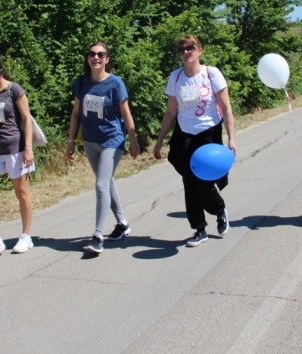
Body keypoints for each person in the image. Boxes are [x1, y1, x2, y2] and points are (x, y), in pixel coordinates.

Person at [152, 35, 236, 247]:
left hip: (209, 133)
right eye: (182, 49)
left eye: (190, 48)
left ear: (200, 50)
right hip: (185, 135)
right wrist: (159, 141)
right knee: (189, 183)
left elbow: (226, 108)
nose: (186, 52)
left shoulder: (211, 73)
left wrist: (231, 138)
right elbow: (171, 112)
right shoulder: (176, 77)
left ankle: (219, 210)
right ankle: (199, 229)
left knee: (204, 182)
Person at [65, 42, 139, 254]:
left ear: (107, 58)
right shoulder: (81, 83)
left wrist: (133, 141)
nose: (96, 57)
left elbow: (126, 114)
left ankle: (98, 236)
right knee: (106, 183)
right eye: (92, 54)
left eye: (100, 54)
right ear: (87, 58)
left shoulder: (115, 83)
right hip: (90, 140)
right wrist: (71, 141)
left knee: (100, 186)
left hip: (112, 140)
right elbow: (76, 113)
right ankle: (122, 223)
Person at [0, 54, 36, 261]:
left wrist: (28, 148)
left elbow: (27, 119)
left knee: (21, 194)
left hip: (16, 150)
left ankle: (26, 236)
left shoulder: (14, 90)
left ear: (0, 73)